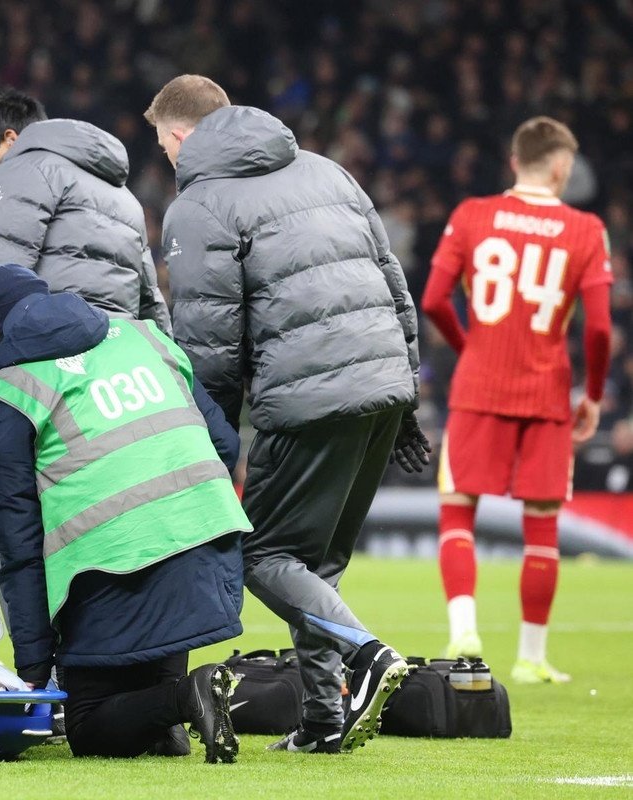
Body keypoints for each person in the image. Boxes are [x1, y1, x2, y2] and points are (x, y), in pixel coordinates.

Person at [145, 75, 426, 754]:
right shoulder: (327, 172)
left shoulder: (199, 203)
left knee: (263, 552)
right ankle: (323, 723)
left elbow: (209, 341)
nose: (165, 160)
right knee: (312, 563)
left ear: (180, 137)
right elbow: (393, 284)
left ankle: (366, 654)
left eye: (161, 146)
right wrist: (406, 394)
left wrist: (209, 441)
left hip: (305, 398)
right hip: (382, 382)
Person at [0, 264, 248, 763]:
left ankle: (188, 697)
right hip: (205, 545)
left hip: (113, 562)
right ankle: (171, 717)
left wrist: (34, 666)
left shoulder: (11, 387)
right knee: (144, 701)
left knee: (88, 726)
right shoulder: (145, 335)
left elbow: (17, 539)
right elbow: (225, 443)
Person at [421, 116, 612, 684]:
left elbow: (433, 299)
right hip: (547, 392)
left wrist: (470, 345)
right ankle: (531, 656)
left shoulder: (471, 215)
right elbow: (599, 330)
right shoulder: (585, 229)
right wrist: (595, 396)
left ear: (513, 162)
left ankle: (463, 631)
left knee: (458, 513)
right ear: (560, 167)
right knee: (543, 526)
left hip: (478, 387)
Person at [0, 90, 171, 433]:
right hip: (117, 378)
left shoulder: (22, 170)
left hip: (54, 375)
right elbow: (150, 299)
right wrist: (173, 373)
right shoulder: (123, 195)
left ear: (9, 140)